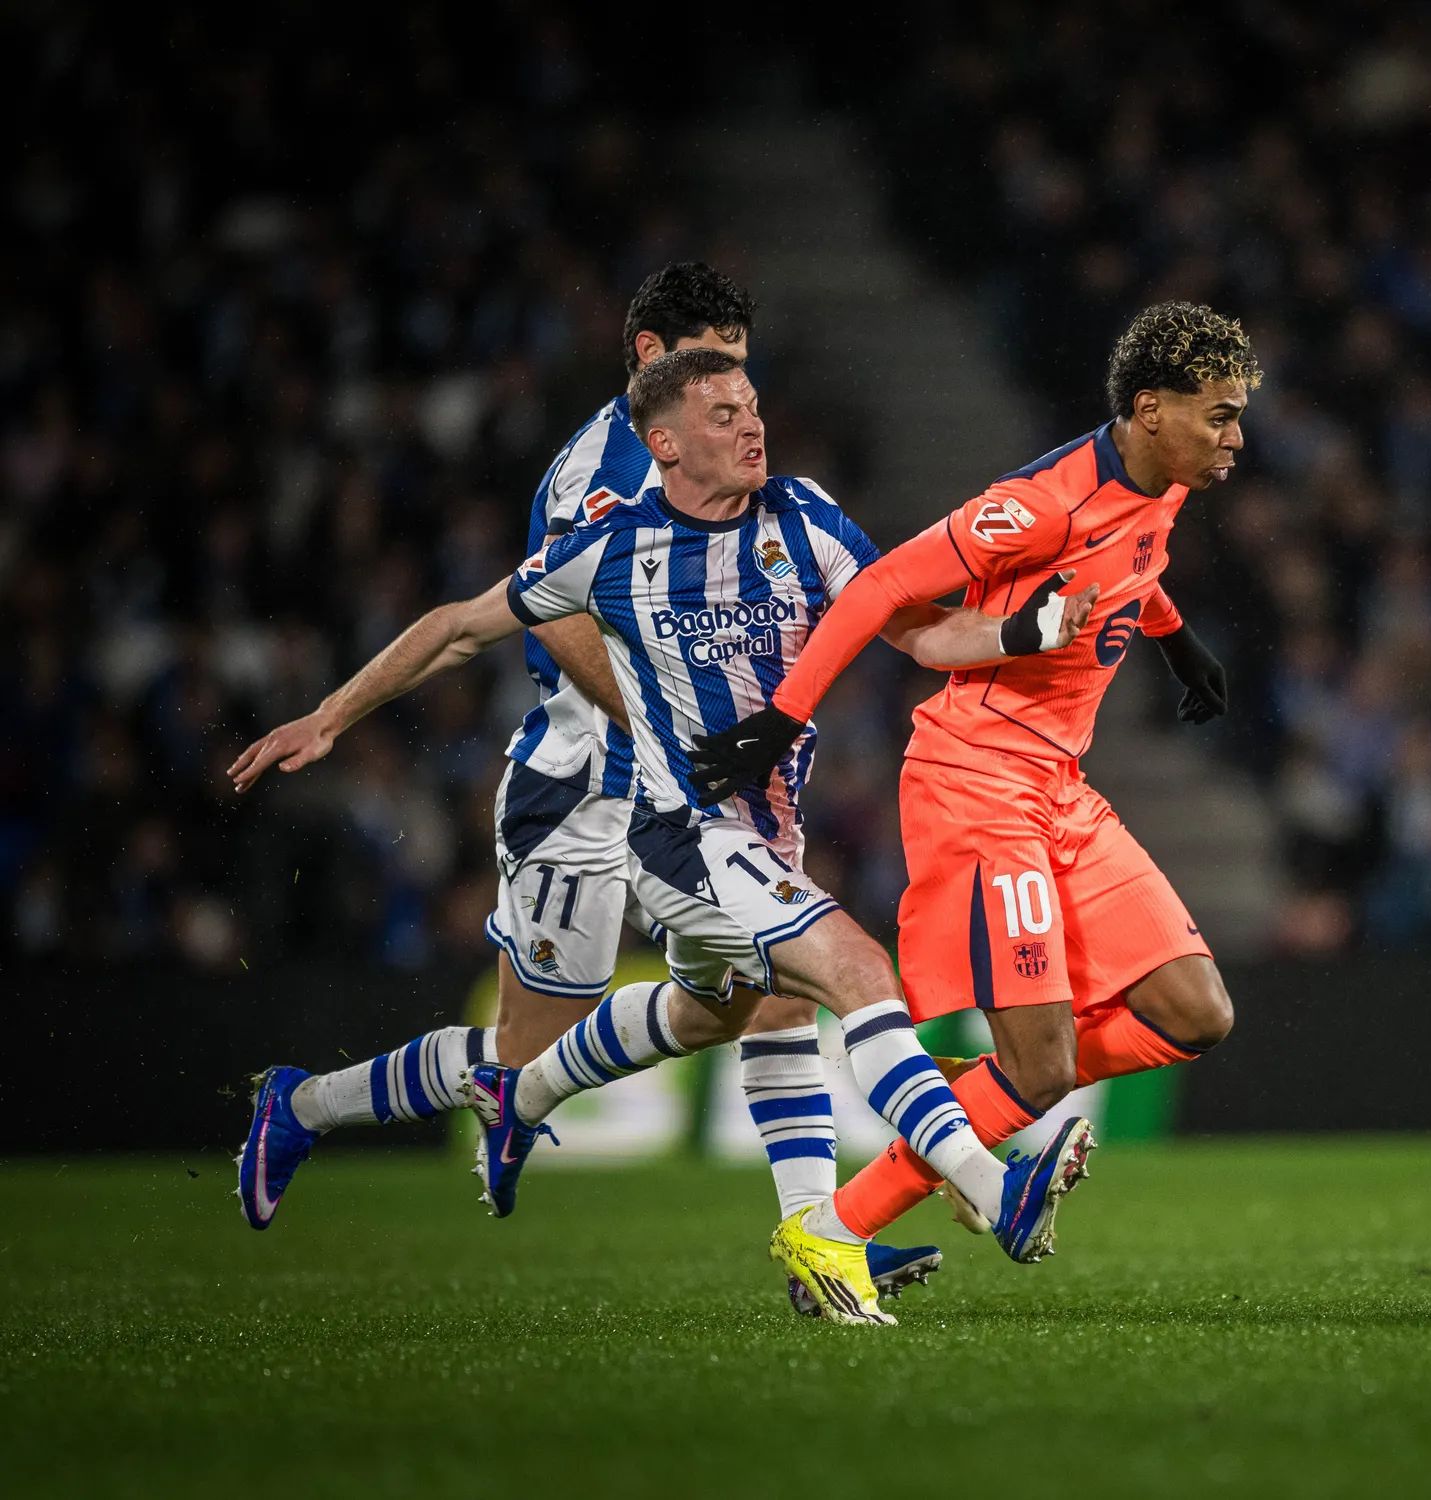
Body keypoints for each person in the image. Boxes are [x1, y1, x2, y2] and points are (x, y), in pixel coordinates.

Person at [230, 346, 1100, 1325]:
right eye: (724, 413)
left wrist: (1025, 631)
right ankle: (992, 1191)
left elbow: (918, 629)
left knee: (725, 1014)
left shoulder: (806, 518)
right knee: (857, 972)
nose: (752, 424)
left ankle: (524, 1103)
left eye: (753, 404)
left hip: (765, 837)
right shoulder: (612, 546)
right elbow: (460, 627)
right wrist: (330, 718)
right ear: (665, 443)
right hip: (677, 834)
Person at [689, 301, 1252, 1257]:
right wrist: (783, 716)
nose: (1235, 439)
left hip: (1060, 785)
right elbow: (881, 587)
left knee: (1197, 1014)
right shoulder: (1037, 505)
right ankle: (831, 1231)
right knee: (1039, 1072)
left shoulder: (1166, 478)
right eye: (1220, 417)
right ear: (1151, 409)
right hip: (980, 781)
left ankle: (965, 1099)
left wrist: (1175, 640)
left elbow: (1134, 561)